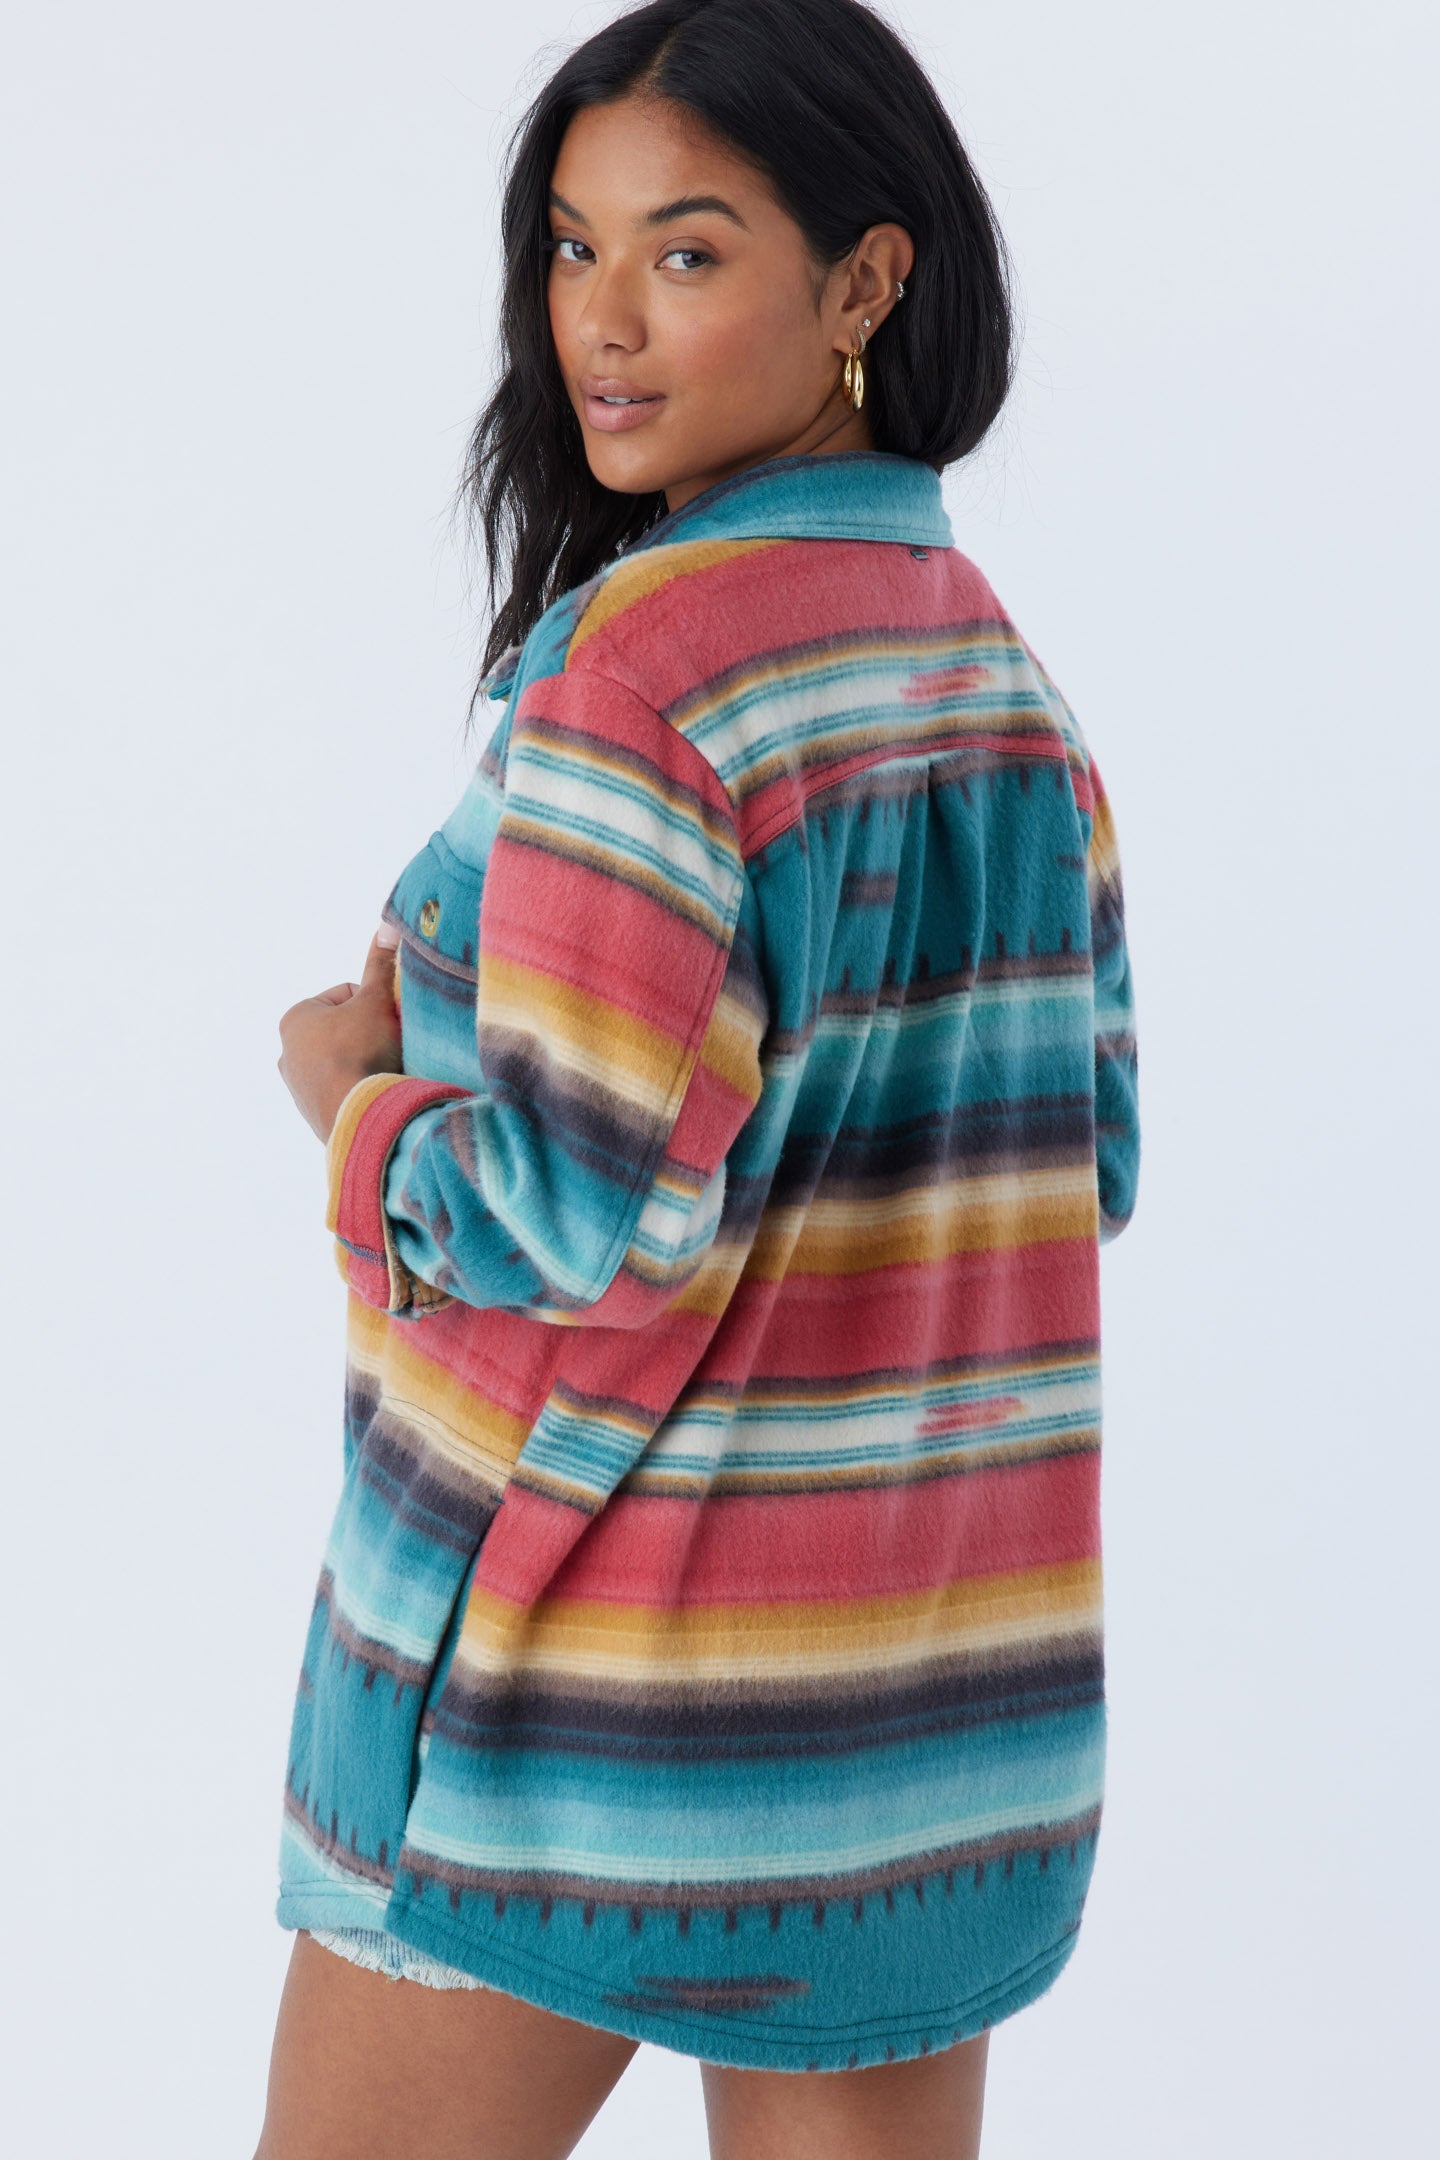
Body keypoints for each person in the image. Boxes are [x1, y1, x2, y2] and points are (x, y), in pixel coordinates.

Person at [258, 1, 1140, 2153]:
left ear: (865, 283)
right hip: (923, 1724)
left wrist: (356, 1107)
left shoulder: (642, 679)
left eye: (688, 250)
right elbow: (1088, 1164)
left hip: (579, 1716)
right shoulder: (994, 676)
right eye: (575, 247)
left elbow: (574, 1217)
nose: (603, 320)